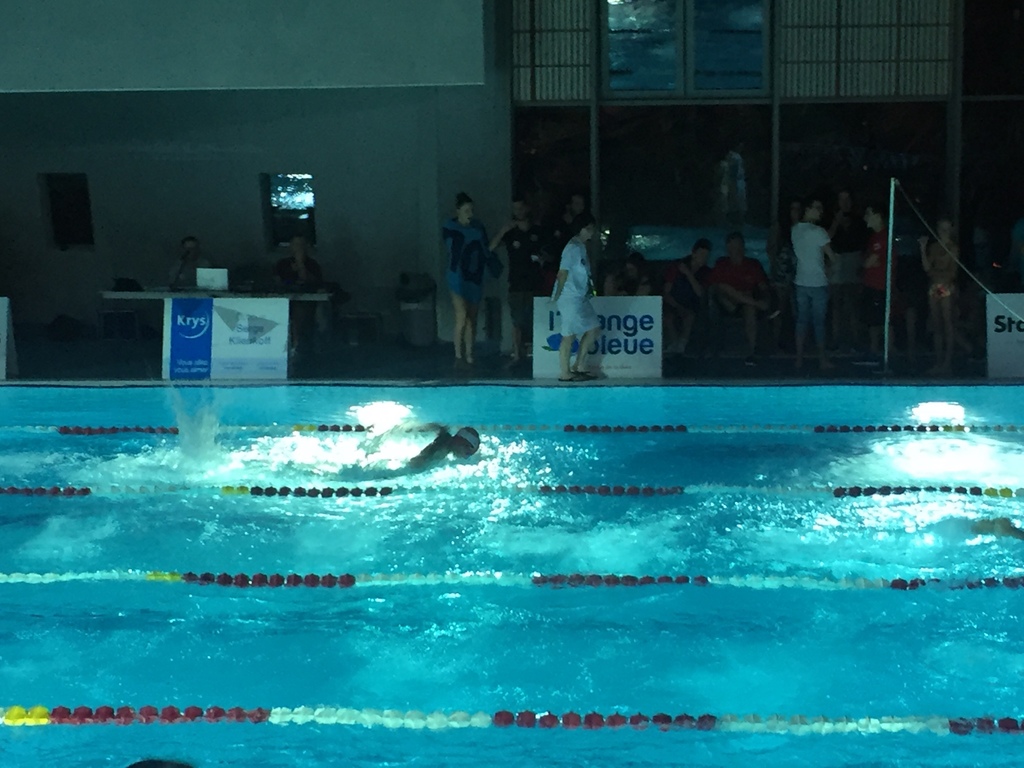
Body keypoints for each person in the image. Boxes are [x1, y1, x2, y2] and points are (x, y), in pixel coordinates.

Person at [443, 192, 502, 368]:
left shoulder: (478, 227)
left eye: (471, 210)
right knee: (461, 315)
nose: (470, 214)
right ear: (458, 211)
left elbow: (486, 250)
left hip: (475, 275)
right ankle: (458, 355)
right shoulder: (450, 227)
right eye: (466, 210)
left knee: (472, 318)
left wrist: (501, 234)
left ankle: (469, 354)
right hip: (457, 275)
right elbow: (454, 248)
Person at [490, 195, 546, 366]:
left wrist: (542, 259)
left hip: (535, 282)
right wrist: (503, 231)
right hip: (516, 283)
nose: (518, 211)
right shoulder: (510, 232)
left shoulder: (537, 231)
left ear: (527, 208)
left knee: (536, 319)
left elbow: (548, 252)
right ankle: (516, 353)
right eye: (515, 208)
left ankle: (536, 351)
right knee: (517, 320)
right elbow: (490, 248)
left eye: (521, 208)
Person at [707, 231, 774, 365]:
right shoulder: (722, 263)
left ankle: (752, 351)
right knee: (723, 287)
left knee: (750, 307)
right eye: (732, 247)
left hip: (745, 303)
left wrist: (766, 297)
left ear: (743, 246)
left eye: (738, 246)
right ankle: (755, 303)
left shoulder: (753, 264)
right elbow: (714, 286)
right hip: (726, 303)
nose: (735, 250)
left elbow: (763, 286)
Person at [551, 213, 601, 382]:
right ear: (580, 229)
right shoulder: (572, 248)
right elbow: (563, 272)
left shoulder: (581, 247)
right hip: (569, 296)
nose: (591, 232)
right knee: (569, 334)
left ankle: (579, 365)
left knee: (593, 328)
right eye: (589, 228)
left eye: (592, 228)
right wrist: (557, 296)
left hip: (580, 296)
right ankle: (564, 373)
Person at [792, 197, 838, 371]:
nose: (820, 212)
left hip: (800, 281)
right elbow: (832, 257)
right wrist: (830, 269)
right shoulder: (819, 232)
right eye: (817, 208)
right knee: (819, 322)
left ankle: (799, 358)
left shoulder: (795, 230)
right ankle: (822, 359)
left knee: (801, 321)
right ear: (808, 209)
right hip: (818, 282)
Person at [827, 189, 869, 351]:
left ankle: (855, 339)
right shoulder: (829, 219)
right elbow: (826, 239)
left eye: (847, 199)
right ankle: (835, 339)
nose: (845, 203)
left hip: (854, 260)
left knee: (853, 303)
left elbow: (864, 243)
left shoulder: (859, 220)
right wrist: (836, 222)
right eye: (841, 199)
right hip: (837, 259)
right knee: (836, 304)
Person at [919, 218, 960, 376]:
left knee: (947, 323)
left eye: (946, 229)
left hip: (945, 286)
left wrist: (937, 273)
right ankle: (938, 361)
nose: (944, 232)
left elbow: (952, 273)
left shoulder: (953, 248)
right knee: (936, 324)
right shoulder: (934, 247)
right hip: (934, 286)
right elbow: (927, 268)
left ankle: (947, 363)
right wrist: (922, 248)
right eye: (941, 228)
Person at [275, 234, 324, 359]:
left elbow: (313, 282)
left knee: (301, 312)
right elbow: (278, 282)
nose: (298, 248)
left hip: (306, 302)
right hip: (283, 301)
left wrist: (301, 265)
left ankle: (297, 347)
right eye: (295, 245)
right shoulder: (282, 264)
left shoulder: (312, 264)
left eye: (301, 245)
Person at [662, 238, 711, 357]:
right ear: (694, 254)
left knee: (690, 316)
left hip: (692, 304)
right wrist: (677, 306)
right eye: (701, 254)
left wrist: (689, 274)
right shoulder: (676, 267)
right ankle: (674, 343)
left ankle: (682, 345)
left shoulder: (706, 272)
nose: (703, 258)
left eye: (706, 256)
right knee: (668, 317)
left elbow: (700, 293)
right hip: (673, 302)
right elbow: (666, 292)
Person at [861, 203, 891, 359]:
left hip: (879, 285)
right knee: (872, 320)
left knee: (880, 321)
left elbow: (868, 262)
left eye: (868, 213)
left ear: (878, 216)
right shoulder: (874, 237)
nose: (865, 217)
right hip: (871, 283)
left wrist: (868, 262)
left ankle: (886, 354)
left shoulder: (882, 237)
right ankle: (875, 352)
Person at [407, 426, 481, 471]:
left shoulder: (445, 440)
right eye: (467, 453)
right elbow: (417, 463)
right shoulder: (442, 449)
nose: (464, 457)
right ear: (462, 442)